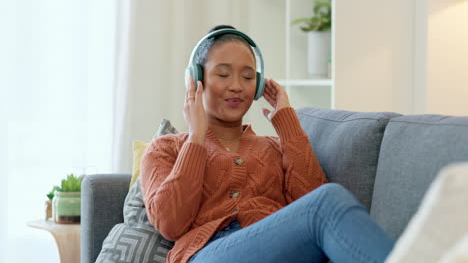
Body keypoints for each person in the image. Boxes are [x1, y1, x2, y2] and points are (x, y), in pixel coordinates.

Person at [140, 25, 395, 263]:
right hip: (206, 253)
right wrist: (196, 136)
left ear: (260, 85)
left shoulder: (275, 147)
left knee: (325, 201)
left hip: (276, 250)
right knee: (327, 200)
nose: (237, 86)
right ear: (196, 80)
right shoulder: (166, 148)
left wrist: (287, 123)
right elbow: (170, 223)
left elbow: (308, 204)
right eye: (223, 74)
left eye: (248, 77)